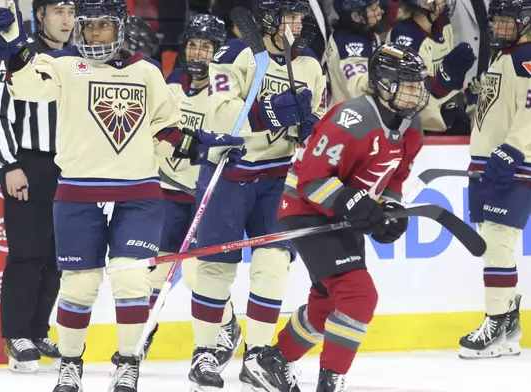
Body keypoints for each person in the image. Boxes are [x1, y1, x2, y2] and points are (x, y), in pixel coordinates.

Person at [0, 0, 246, 391]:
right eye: (87, 27)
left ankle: (128, 363)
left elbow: (166, 130)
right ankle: (70, 364)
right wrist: (13, 51)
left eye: (102, 27)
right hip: (77, 191)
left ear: (120, 29)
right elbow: (26, 87)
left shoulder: (147, 71)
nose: (93, 35)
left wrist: (205, 145)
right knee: (78, 285)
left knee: (132, 283)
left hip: (137, 192)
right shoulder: (63, 63)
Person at [244, 43, 431, 392]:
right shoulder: (352, 118)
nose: (415, 92)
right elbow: (311, 179)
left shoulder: (412, 127)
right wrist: (358, 204)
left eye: (417, 84)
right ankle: (330, 383)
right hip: (306, 209)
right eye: (406, 83)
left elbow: (396, 176)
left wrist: (390, 208)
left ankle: (273, 362)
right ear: (382, 83)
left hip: (340, 213)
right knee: (359, 296)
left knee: (330, 302)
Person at [187, 0, 327, 390]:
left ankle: (259, 356)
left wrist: (310, 126)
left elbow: (314, 116)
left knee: (272, 263)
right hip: (230, 171)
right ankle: (205, 351)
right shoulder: (235, 53)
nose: (295, 24)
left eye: (299, 17)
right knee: (217, 267)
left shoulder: (309, 64)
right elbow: (219, 113)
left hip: (278, 178)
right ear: (267, 18)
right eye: (287, 16)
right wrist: (270, 112)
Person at [110, 13, 244, 370]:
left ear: (219, 51)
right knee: (154, 271)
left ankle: (225, 327)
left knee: (202, 273)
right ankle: (143, 333)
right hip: (166, 191)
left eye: (207, 47)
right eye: (193, 45)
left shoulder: (225, 94)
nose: (198, 53)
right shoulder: (168, 88)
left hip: (206, 194)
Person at [0, 0, 75, 373]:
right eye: (58, 12)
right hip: (30, 165)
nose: (67, 20)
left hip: (70, 169)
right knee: (27, 253)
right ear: (40, 16)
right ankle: (16, 334)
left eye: (71, 12)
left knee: (57, 257)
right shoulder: (19, 54)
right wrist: (11, 165)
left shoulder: (77, 60)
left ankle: (37, 331)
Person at [461, 0, 528, 360]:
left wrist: (513, 149)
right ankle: (509, 323)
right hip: (490, 162)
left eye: (507, 21)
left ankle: (495, 320)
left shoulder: (526, 56)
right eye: (497, 20)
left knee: (497, 242)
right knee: (495, 239)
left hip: (513, 163)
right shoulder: (507, 55)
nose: (499, 27)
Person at [386, 0, 475, 132]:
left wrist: (466, 96)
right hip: (413, 127)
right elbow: (409, 99)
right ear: (422, 3)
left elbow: (448, 76)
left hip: (439, 111)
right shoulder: (405, 37)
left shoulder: (442, 24)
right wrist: (445, 83)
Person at [325, 0, 385, 107]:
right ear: (356, 16)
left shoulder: (364, 32)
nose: (381, 11)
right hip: (348, 115)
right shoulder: (350, 45)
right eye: (374, 9)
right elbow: (358, 91)